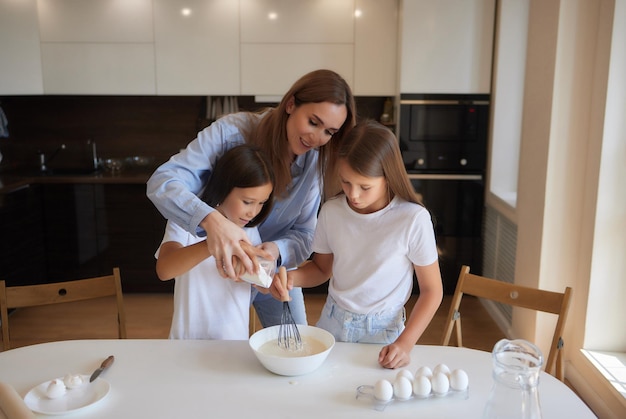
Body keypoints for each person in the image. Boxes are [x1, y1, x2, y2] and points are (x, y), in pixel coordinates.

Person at [147, 69, 357, 327]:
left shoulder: (315, 162)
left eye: (330, 132)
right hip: (214, 277)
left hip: (270, 273)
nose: (317, 138)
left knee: (292, 346)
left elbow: (304, 233)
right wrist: (215, 225)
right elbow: (163, 182)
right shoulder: (230, 133)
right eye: (313, 122)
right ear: (291, 104)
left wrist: (275, 251)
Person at [270, 119, 444, 369]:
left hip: (384, 332)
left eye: (365, 187)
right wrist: (290, 279)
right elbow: (321, 269)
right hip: (332, 323)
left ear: (388, 176)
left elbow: (432, 291)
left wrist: (405, 344)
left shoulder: (412, 219)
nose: (353, 195)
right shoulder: (332, 212)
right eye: (345, 182)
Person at [155, 145, 275, 339]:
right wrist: (215, 241)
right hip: (185, 343)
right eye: (247, 202)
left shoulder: (250, 231)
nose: (253, 212)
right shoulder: (185, 221)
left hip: (232, 343)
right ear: (225, 189)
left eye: (261, 203)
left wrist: (268, 280)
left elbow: (260, 282)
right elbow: (164, 269)